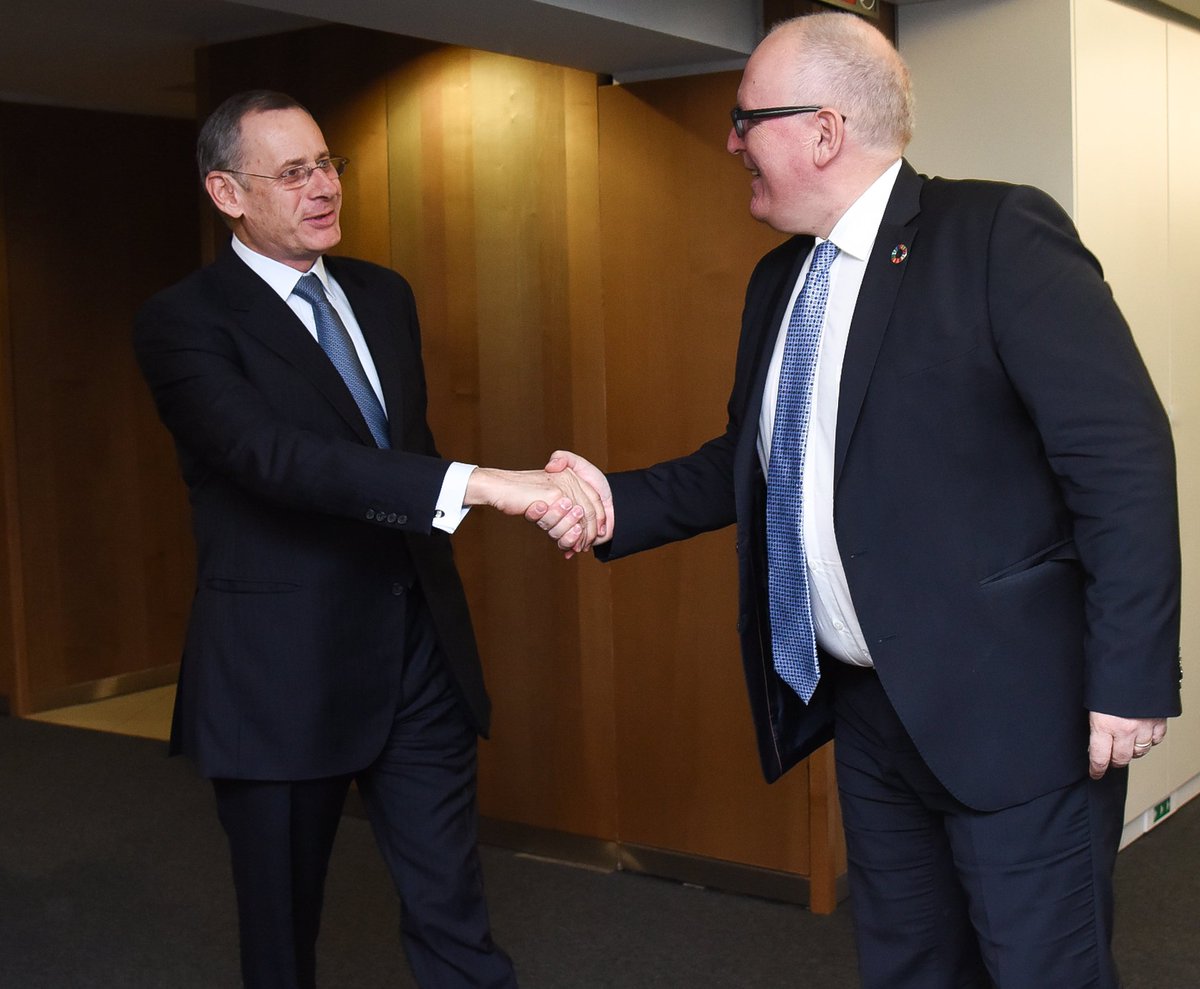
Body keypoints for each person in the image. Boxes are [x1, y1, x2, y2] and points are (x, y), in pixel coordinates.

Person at [540, 12, 1182, 989]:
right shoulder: (778, 282)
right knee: (908, 965)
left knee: (1042, 969)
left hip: (1014, 712)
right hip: (872, 713)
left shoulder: (996, 235)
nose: (731, 143)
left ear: (824, 131)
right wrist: (607, 501)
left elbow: (1122, 459)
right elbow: (750, 463)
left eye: (745, 119)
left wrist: (1130, 675)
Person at [134, 89, 603, 989]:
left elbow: (397, 451)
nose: (323, 188)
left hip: (418, 655)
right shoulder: (184, 321)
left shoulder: (384, 295)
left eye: (327, 164)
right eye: (293, 172)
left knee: (455, 918)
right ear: (227, 193)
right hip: (282, 674)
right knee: (282, 943)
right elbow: (272, 458)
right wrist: (482, 483)